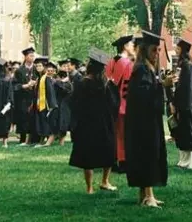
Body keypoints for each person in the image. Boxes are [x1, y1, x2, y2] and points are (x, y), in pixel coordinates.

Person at [125, 30, 168, 208]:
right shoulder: (142, 69)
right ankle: (148, 195)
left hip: (146, 121)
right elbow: (143, 95)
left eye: (158, 50)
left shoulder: (146, 68)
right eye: (154, 50)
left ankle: (145, 194)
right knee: (147, 155)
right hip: (143, 123)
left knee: (149, 155)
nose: (157, 54)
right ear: (144, 50)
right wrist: (162, 86)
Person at [69, 49, 118, 193]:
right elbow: (114, 104)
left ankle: (89, 187)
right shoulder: (107, 84)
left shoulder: (82, 83)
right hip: (104, 122)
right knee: (108, 150)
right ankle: (105, 181)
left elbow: (74, 103)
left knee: (87, 154)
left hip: (87, 123)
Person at [106, 35, 134, 172]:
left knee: (114, 133)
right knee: (123, 134)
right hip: (124, 105)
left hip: (111, 104)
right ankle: (123, 162)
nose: (133, 47)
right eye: (131, 44)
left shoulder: (111, 61)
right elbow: (128, 88)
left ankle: (113, 160)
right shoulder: (127, 63)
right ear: (125, 47)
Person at [172, 38, 192, 170]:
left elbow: (187, 88)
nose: (176, 50)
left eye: (178, 48)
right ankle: (183, 160)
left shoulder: (188, 66)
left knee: (189, 134)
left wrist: (185, 106)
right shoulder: (183, 65)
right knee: (182, 134)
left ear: (182, 50)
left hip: (188, 105)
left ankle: (189, 163)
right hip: (183, 105)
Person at [13, 47, 39, 146]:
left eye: (33, 55)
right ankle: (23, 139)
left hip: (34, 97)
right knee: (23, 118)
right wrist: (25, 85)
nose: (32, 57)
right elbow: (15, 85)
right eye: (30, 55)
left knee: (33, 118)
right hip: (23, 98)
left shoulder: (36, 69)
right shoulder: (19, 70)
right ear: (25, 57)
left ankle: (33, 138)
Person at [32, 58, 57, 147]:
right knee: (42, 122)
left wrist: (51, 105)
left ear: (44, 67)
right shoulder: (39, 78)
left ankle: (48, 142)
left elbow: (50, 92)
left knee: (47, 122)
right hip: (40, 104)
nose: (38, 67)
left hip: (46, 104)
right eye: (37, 66)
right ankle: (42, 141)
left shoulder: (46, 78)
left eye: (40, 66)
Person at [53, 60, 74, 146]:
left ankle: (62, 141)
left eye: (67, 66)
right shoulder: (56, 78)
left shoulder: (71, 77)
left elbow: (69, 90)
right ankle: (56, 139)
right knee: (57, 121)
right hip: (58, 102)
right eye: (64, 66)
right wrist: (61, 82)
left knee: (64, 121)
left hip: (67, 103)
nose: (66, 68)